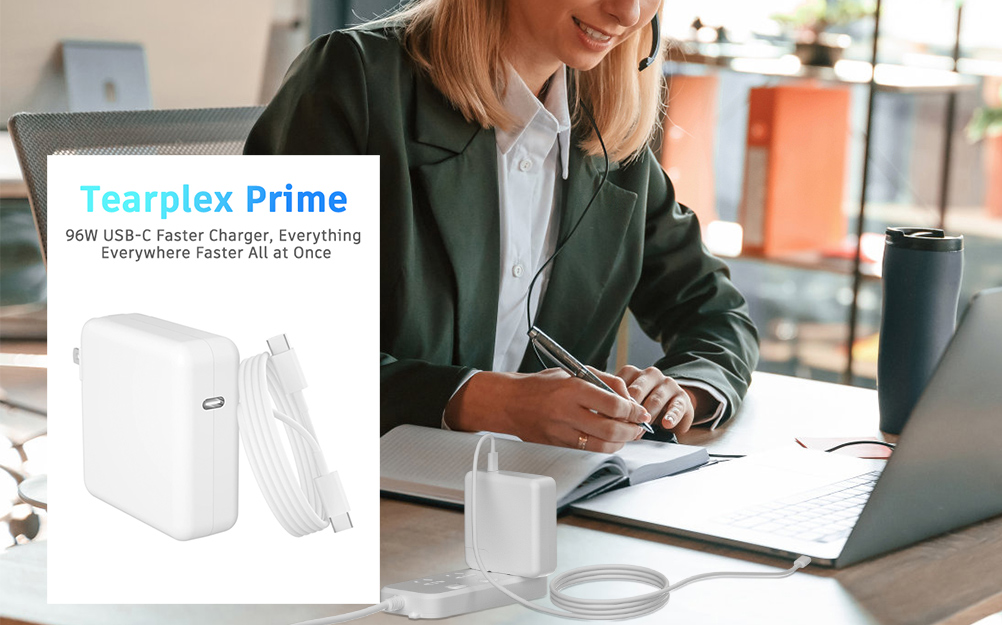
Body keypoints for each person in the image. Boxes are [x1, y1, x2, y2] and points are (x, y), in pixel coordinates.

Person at [245, 0, 757, 452]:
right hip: (353, 492)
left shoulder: (606, 132)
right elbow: (274, 346)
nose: (627, 13)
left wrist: (681, 391)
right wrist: (491, 402)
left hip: (539, 506)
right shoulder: (354, 80)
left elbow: (714, 311)